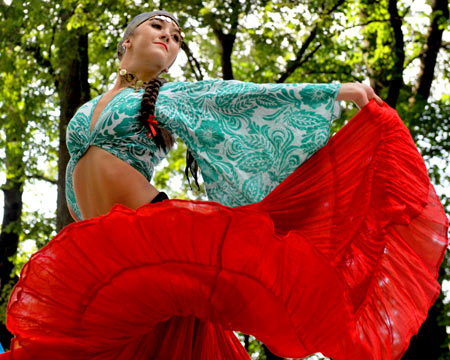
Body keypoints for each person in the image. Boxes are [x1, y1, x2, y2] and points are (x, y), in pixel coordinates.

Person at [0, 10, 447, 360]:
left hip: (150, 239)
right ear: (127, 40)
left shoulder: (164, 98)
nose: (169, 39)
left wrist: (332, 92)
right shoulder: (90, 107)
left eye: (176, 39)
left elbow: (234, 97)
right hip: (98, 251)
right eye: (158, 28)